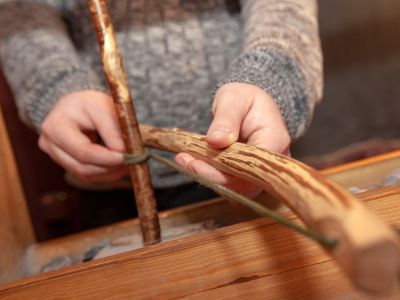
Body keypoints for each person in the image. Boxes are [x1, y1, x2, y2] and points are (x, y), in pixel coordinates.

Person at [0, 0, 322, 201]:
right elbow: (20, 7)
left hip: (243, 153)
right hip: (109, 187)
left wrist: (269, 75)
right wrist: (57, 85)